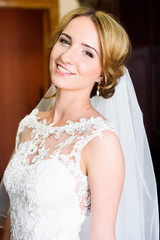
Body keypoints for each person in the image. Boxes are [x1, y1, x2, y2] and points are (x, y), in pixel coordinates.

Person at [0, 7, 159, 240]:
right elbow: (14, 213)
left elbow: (102, 235)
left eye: (88, 53)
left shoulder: (100, 140)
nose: (66, 57)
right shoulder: (29, 125)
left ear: (102, 74)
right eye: (65, 41)